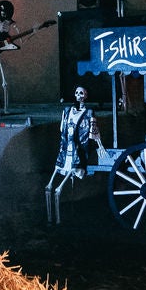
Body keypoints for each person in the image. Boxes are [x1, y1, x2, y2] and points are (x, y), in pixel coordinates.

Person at [44, 85, 99, 224]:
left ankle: (59, 216)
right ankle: (53, 217)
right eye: (77, 93)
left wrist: (100, 145)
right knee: (60, 167)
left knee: (73, 167)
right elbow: (62, 128)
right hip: (67, 145)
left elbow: (92, 132)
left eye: (82, 93)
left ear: (85, 96)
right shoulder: (68, 111)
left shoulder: (89, 113)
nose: (79, 95)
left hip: (78, 147)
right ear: (75, 95)